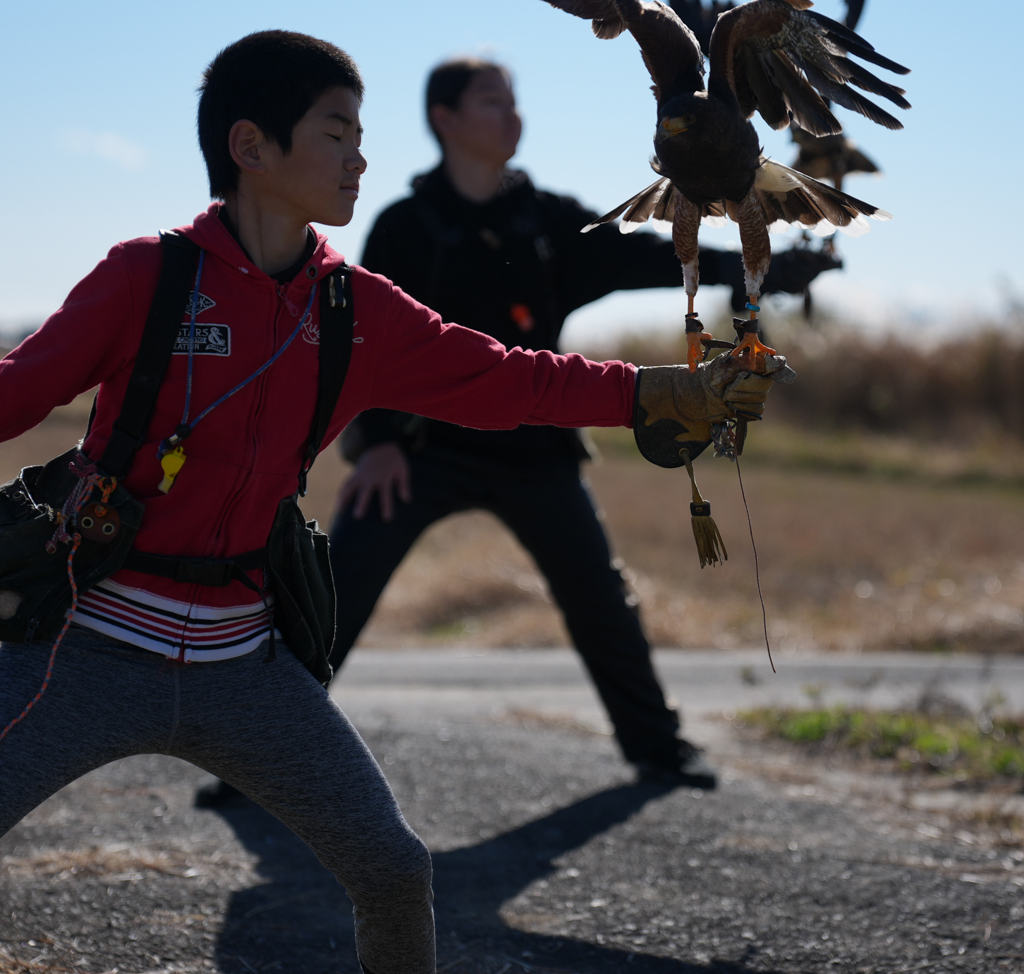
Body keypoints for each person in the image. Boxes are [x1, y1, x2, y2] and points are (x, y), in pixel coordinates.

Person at [0, 32, 786, 974]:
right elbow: (7, 394)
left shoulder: (355, 305)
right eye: (336, 133)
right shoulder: (146, 276)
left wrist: (660, 391)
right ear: (251, 145)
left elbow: (512, 377)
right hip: (83, 647)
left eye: (364, 135)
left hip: (246, 666)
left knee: (396, 869)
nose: (359, 158)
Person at [330, 58, 832, 788]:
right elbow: (361, 348)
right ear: (444, 119)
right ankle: (256, 754)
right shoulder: (405, 228)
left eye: (515, 99)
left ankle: (658, 748)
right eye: (491, 101)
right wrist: (372, 447)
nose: (512, 114)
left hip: (536, 446)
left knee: (600, 599)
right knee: (333, 594)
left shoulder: (547, 220)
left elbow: (657, 257)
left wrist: (760, 268)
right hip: (419, 452)